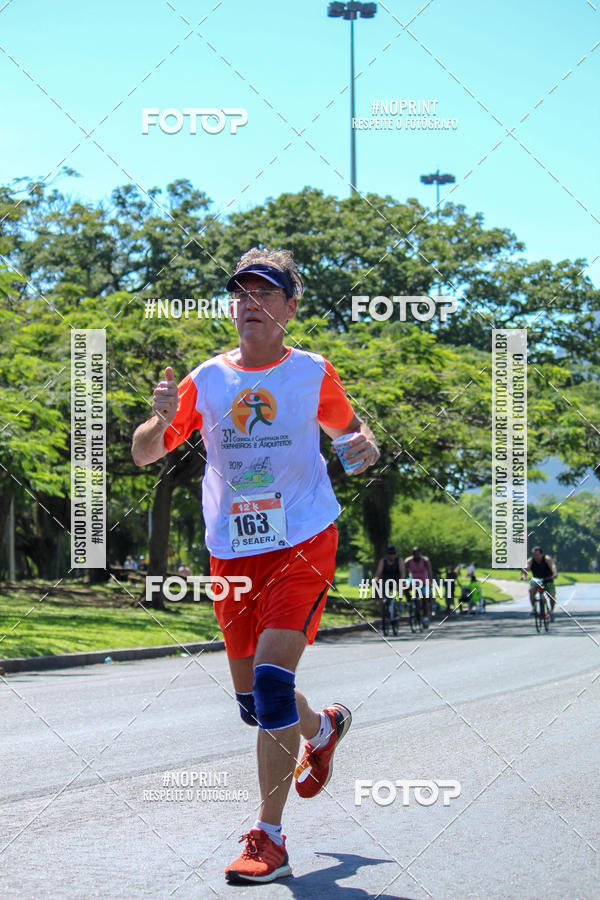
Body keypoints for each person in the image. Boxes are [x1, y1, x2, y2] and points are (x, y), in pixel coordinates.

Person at [131, 247, 380, 885]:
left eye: (266, 294)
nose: (251, 304)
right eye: (241, 294)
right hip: (232, 551)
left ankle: (269, 838)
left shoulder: (311, 373)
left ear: (290, 309)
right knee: (253, 703)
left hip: (302, 539)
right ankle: (321, 729)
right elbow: (143, 454)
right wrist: (160, 417)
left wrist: (361, 451)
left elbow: (355, 438)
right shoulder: (207, 380)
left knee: (270, 686)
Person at [373, 545, 406, 634]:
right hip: (386, 582)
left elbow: (402, 573)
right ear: (387, 554)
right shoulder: (383, 561)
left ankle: (399, 603)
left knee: (400, 587)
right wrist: (375, 579)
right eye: (390, 554)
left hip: (396, 581)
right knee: (381, 598)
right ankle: (384, 617)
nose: (392, 555)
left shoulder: (399, 560)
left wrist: (401, 581)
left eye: (393, 554)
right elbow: (378, 573)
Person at [521, 546, 558, 621]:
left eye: (537, 555)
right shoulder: (531, 560)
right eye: (534, 555)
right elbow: (526, 568)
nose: (536, 557)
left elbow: (553, 566)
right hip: (536, 580)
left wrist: (554, 574)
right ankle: (534, 608)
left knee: (552, 595)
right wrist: (524, 575)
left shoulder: (547, 559)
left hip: (548, 579)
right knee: (531, 591)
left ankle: (551, 611)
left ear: (542, 554)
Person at [404, 546, 434, 628]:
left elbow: (429, 571)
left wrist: (430, 582)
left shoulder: (425, 560)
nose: (417, 555)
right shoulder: (408, 561)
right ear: (412, 554)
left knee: (424, 599)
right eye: (415, 553)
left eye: (418, 553)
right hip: (413, 580)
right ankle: (409, 602)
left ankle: (425, 618)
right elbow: (403, 570)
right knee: (405, 587)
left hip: (424, 581)